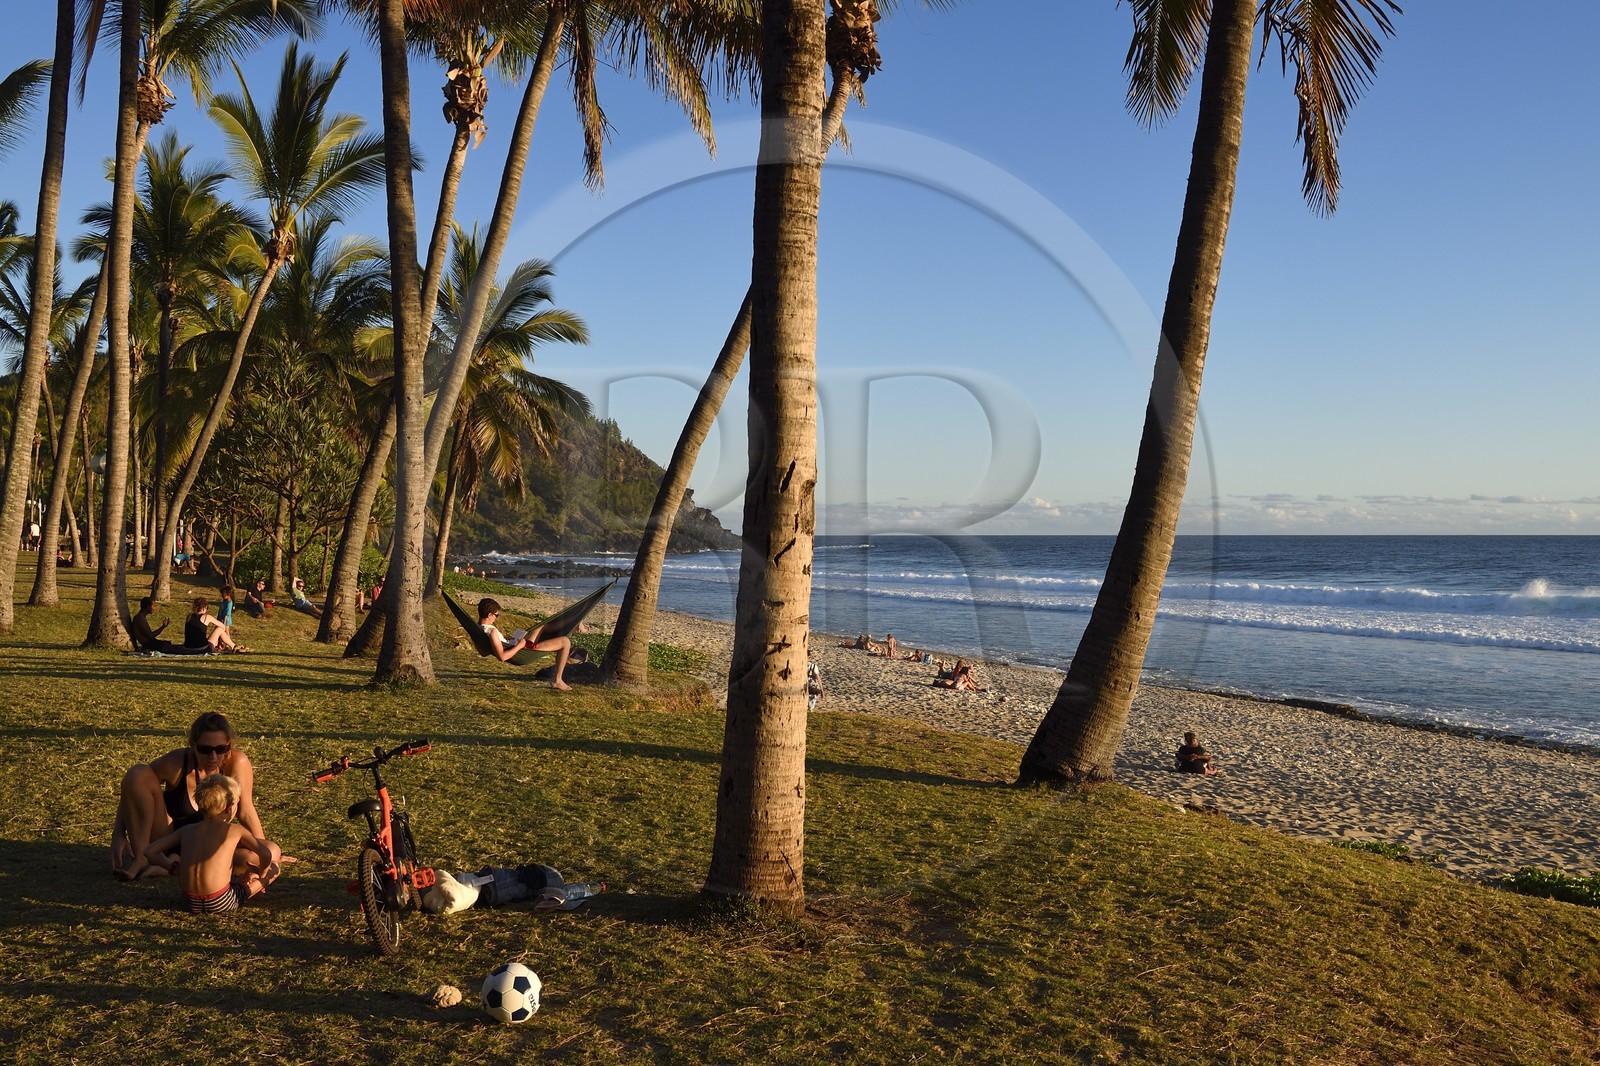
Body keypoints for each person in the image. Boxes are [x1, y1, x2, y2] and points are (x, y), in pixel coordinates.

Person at [110, 712, 286, 881]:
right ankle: (142, 858)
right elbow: (133, 789)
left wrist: (263, 848)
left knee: (269, 851)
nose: (213, 757)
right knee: (137, 772)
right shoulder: (177, 763)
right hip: (167, 838)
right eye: (205, 749)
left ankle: (171, 867)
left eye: (221, 749)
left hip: (210, 844)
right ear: (192, 745)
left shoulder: (236, 763)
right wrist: (118, 833)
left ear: (229, 746)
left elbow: (246, 811)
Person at [143, 773, 278, 915]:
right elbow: (266, 854)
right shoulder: (235, 830)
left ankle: (244, 881)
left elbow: (150, 851)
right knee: (274, 869)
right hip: (220, 901)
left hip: (189, 902)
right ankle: (254, 884)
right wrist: (262, 873)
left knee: (234, 884)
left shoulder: (187, 830)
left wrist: (173, 868)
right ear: (229, 807)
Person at [478, 596, 571, 691]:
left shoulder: (479, 629)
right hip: (522, 653)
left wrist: (506, 639)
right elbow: (502, 657)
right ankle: (557, 680)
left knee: (541, 626)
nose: (496, 618)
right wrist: (519, 646)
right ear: (489, 615)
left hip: (515, 645)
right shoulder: (492, 631)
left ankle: (573, 622)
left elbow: (483, 652)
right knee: (565, 642)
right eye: (496, 615)